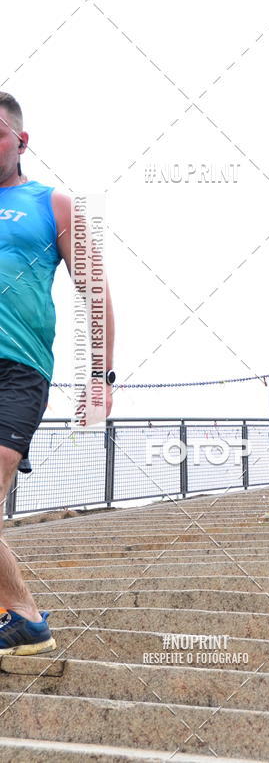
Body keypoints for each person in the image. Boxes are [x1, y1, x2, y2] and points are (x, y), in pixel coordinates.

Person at [0, 92, 115, 655]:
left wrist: (101, 377)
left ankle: (24, 616)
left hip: (18, 372)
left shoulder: (54, 203)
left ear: (21, 141)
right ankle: (23, 619)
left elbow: (95, 292)